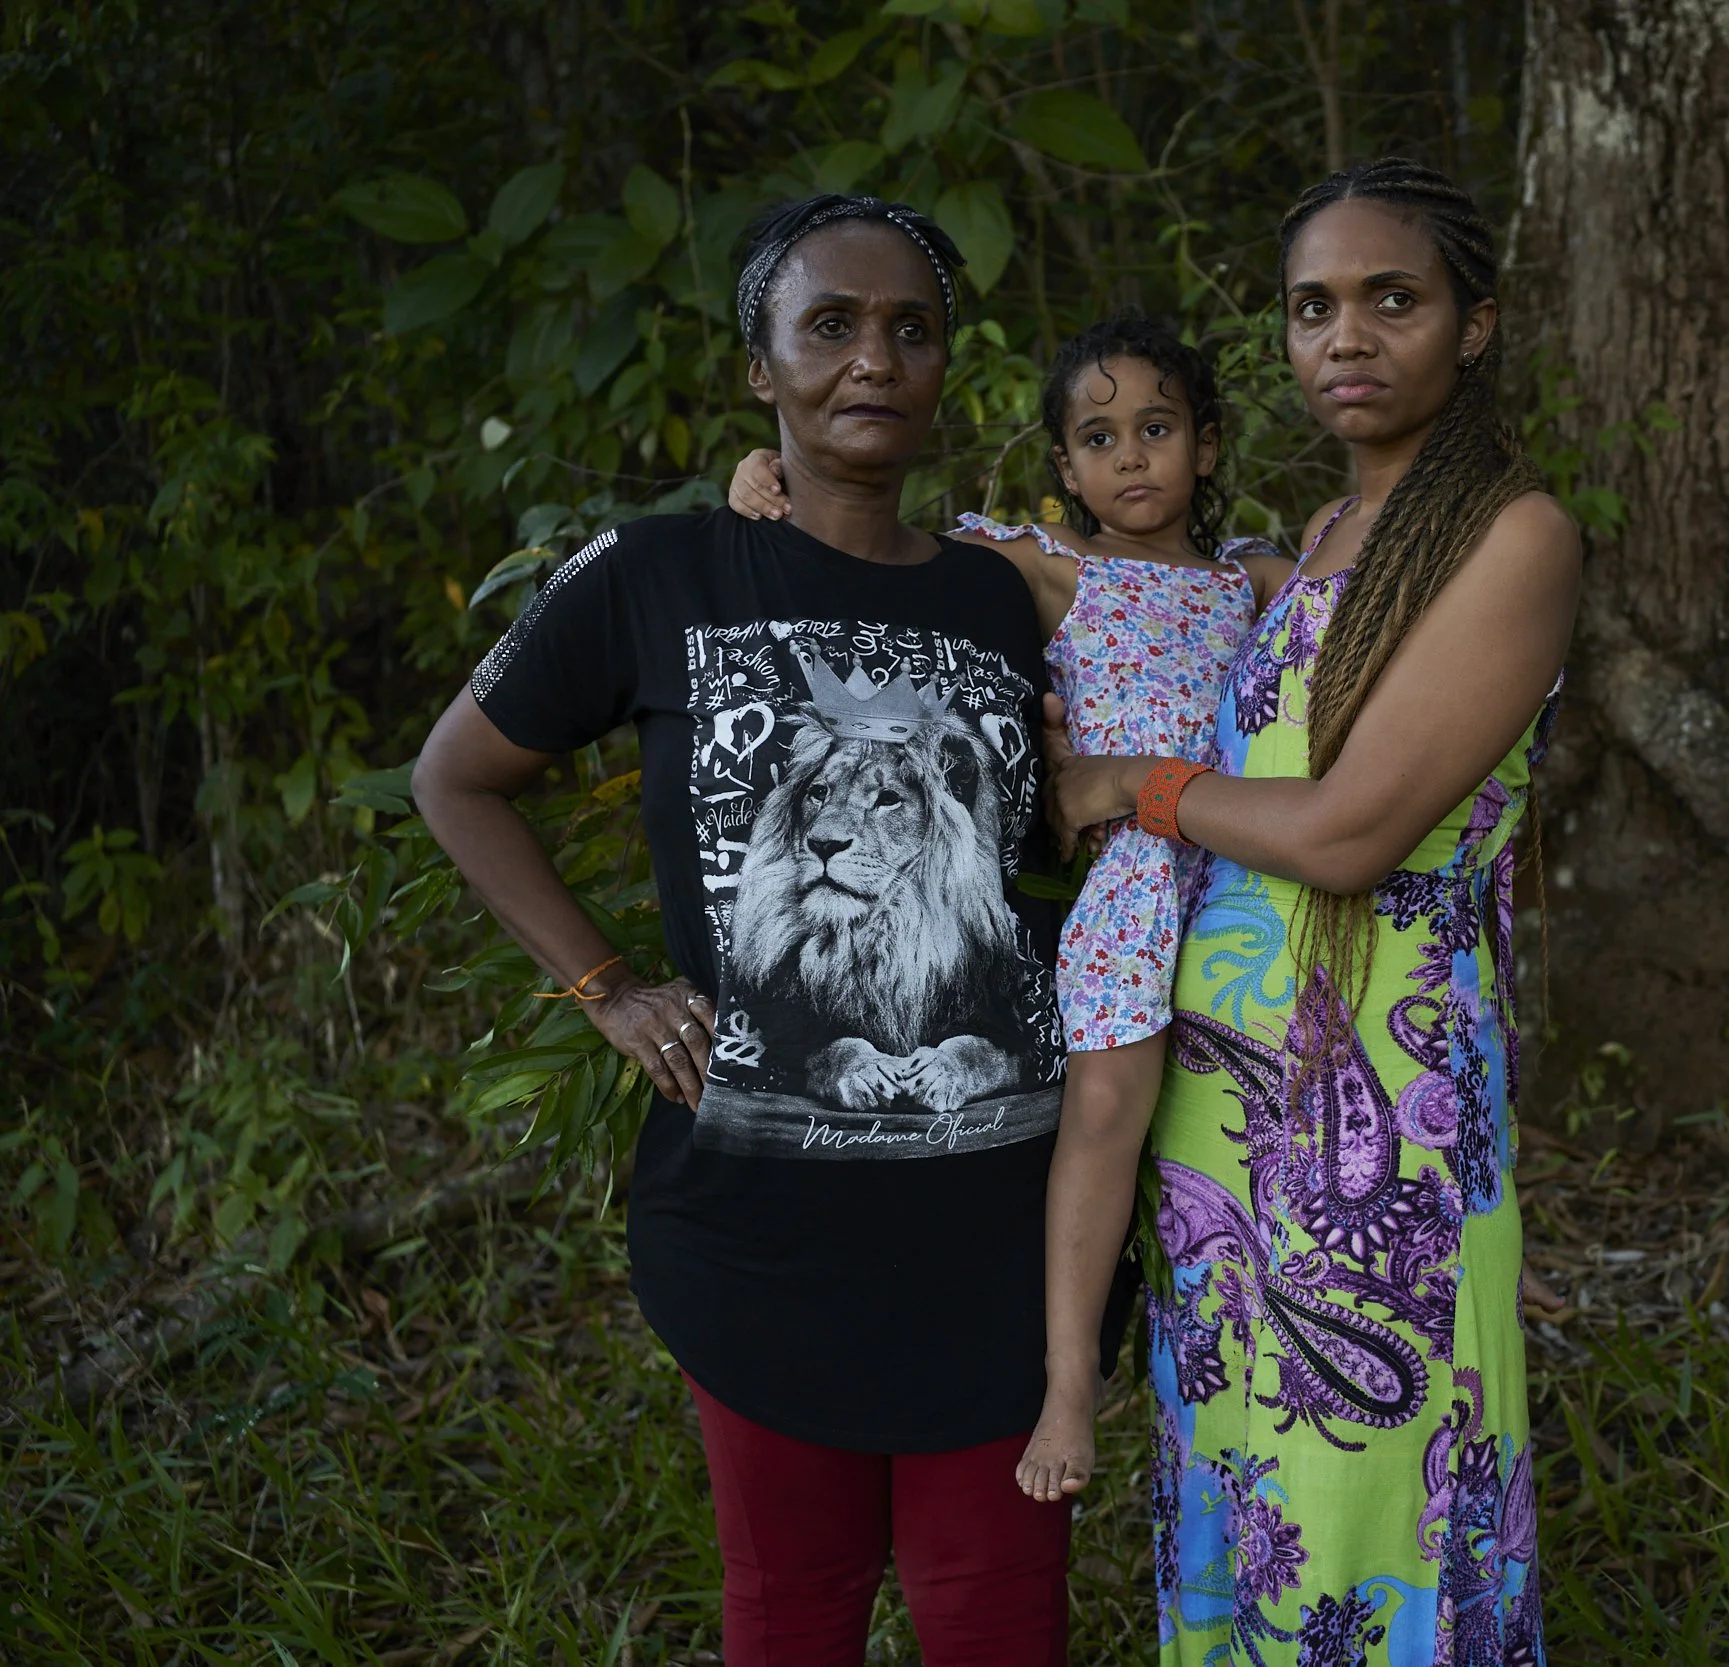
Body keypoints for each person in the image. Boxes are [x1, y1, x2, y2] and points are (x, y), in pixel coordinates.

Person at [411, 194, 1073, 1667]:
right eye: (829, 326)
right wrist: (604, 985)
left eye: (911, 330)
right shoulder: (655, 572)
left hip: (1001, 1225)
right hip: (761, 1226)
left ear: (946, 366)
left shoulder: (1001, 595)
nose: (873, 360)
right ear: (756, 370)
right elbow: (454, 777)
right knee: (791, 1612)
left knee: (1001, 1619)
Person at [1045, 159, 1578, 1665]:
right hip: (1217, 1130)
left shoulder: (1508, 537)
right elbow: (1066, 573)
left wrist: (1129, 787)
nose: (1346, 335)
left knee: (1368, 1525)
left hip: (1377, 1137)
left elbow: (1348, 835)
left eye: (1391, 299)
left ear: (1474, 324)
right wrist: (765, 493)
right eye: (1312, 308)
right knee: (1245, 1506)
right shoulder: (1314, 541)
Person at [726, 315, 1293, 1505]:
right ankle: (1069, 1378)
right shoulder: (1052, 569)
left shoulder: (1254, 577)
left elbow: (1366, 608)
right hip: (1136, 877)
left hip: (1257, 871)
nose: (1130, 458)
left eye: (1156, 428)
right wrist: (765, 472)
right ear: (1062, 467)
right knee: (1103, 1113)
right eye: (1098, 438)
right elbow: (881, 534)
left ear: (1207, 441)